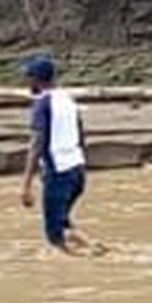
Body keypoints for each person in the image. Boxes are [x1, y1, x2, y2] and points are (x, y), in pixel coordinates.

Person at [19, 54, 100, 255]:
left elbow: (37, 143)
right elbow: (81, 136)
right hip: (77, 171)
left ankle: (86, 263)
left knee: (54, 237)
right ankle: (93, 247)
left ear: (36, 79)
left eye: (28, 77)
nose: (25, 81)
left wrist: (26, 184)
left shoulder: (42, 104)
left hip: (58, 172)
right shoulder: (68, 100)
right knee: (62, 220)